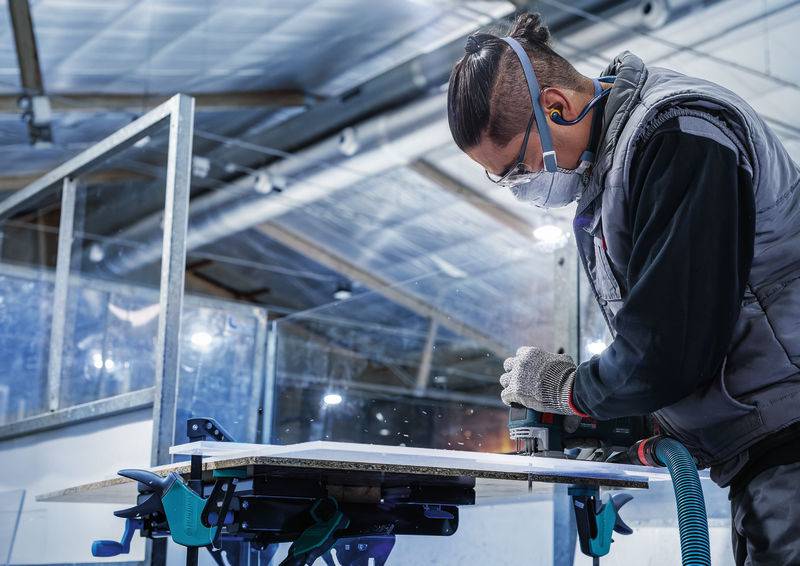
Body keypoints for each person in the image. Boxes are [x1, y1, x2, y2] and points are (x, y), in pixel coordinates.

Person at [446, 12, 800, 565]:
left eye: (516, 168)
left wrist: (571, 390)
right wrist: (632, 420)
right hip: (763, 451)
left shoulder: (678, 134)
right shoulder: (614, 171)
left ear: (556, 107)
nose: (518, 187)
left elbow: (672, 345)